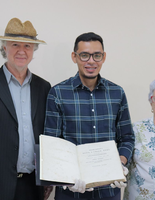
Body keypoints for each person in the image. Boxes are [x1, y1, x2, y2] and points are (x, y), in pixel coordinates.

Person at [44, 32, 134, 200]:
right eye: (84, 55)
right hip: (71, 191)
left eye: (97, 55)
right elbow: (52, 144)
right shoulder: (57, 93)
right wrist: (65, 178)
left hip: (109, 191)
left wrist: (120, 164)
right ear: (74, 57)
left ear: (104, 57)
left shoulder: (117, 93)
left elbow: (127, 137)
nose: (91, 61)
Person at [0, 18, 51, 200]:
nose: (22, 51)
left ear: (33, 51)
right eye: (15, 44)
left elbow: (48, 134)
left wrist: (48, 178)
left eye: (28, 46)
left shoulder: (44, 87)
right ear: (4, 48)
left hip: (32, 185)